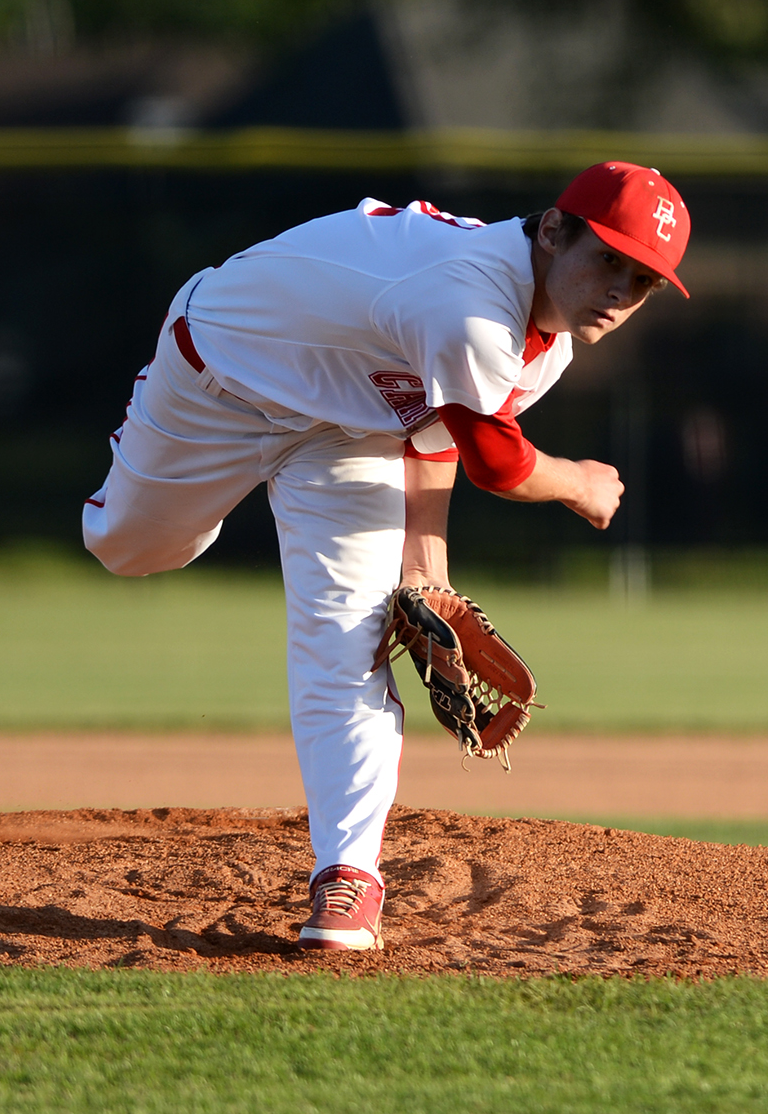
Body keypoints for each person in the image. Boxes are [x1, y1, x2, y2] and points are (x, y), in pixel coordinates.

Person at [80, 161, 690, 952]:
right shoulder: (472, 301)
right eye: (607, 258)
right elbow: (498, 465)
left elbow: (429, 429)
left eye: (641, 281)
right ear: (551, 229)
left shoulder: (545, 348)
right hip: (220, 378)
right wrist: (578, 481)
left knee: (347, 642)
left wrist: (425, 569)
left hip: (350, 437)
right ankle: (186, 503)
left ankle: (348, 875)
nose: (618, 290)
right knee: (129, 548)